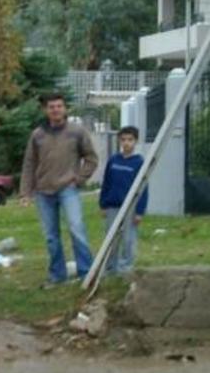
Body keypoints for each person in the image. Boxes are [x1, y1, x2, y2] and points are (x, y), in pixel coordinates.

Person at [20, 93, 99, 286]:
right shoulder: (37, 135)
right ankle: (57, 275)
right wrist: (25, 193)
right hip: (43, 192)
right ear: (46, 110)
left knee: (76, 228)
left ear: (65, 109)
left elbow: (91, 158)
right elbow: (29, 164)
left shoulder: (77, 132)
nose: (55, 110)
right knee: (51, 237)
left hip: (68, 189)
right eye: (51, 107)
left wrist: (79, 178)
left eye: (59, 106)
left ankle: (86, 272)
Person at [98, 126, 149, 275]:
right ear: (119, 141)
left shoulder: (139, 162)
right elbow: (106, 182)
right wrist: (103, 203)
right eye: (123, 139)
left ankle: (126, 267)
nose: (126, 143)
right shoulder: (113, 160)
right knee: (111, 239)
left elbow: (143, 189)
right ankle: (110, 267)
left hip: (130, 208)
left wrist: (139, 211)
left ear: (135, 141)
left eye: (130, 140)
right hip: (112, 206)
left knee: (128, 239)